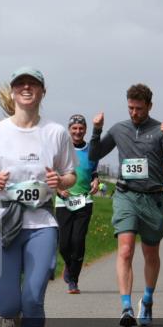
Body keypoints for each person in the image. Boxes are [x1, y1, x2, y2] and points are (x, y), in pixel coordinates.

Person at [0, 67, 76, 327]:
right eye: (20, 83)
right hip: (3, 219)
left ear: (42, 92)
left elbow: (70, 176)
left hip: (41, 222)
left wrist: (60, 181)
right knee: (7, 303)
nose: (26, 88)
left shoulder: (56, 132)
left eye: (33, 84)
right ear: (14, 91)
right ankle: (8, 315)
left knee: (33, 299)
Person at [89, 83, 163, 327]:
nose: (134, 113)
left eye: (139, 109)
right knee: (125, 250)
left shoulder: (160, 131)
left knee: (150, 253)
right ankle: (126, 307)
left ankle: (148, 299)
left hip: (153, 198)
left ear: (149, 106)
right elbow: (94, 154)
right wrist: (96, 131)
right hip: (126, 196)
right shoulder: (119, 129)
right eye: (131, 108)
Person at [54, 114, 100, 294]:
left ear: (85, 130)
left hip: (84, 200)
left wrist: (96, 180)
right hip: (63, 200)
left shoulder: (92, 150)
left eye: (81, 128)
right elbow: (52, 173)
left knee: (78, 241)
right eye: (74, 128)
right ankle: (68, 264)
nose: (78, 131)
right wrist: (58, 189)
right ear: (69, 130)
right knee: (64, 244)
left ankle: (73, 280)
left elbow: (94, 171)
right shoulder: (61, 149)